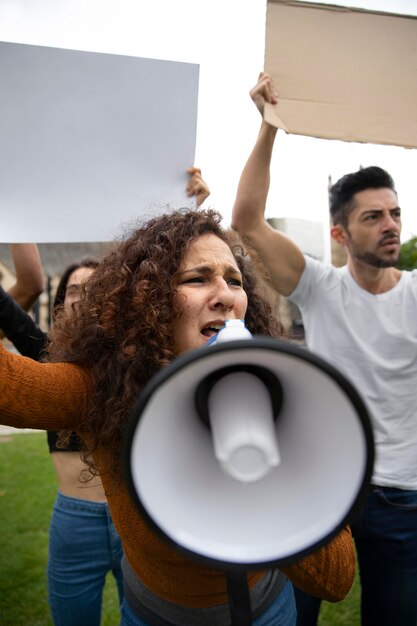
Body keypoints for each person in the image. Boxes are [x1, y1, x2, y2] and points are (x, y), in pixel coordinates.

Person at [0, 207, 356, 626]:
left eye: (234, 280)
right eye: (198, 278)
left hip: (265, 610)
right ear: (148, 301)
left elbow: (336, 579)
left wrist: (258, 447)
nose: (225, 294)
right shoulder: (103, 390)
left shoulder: (283, 394)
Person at [231, 72, 417, 626]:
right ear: (339, 234)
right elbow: (245, 220)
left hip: (403, 497)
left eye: (395, 213)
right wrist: (268, 125)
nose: (391, 226)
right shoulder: (318, 286)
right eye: (373, 217)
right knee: (293, 618)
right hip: (323, 488)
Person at [0, 165, 210, 626]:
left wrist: (192, 216)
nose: (82, 298)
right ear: (60, 304)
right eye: (73, 290)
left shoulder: (135, 362)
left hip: (133, 515)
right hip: (73, 517)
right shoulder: (48, 355)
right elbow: (24, 287)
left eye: (93, 291)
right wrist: (15, 209)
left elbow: (180, 287)